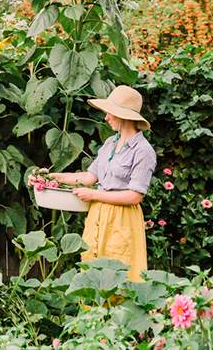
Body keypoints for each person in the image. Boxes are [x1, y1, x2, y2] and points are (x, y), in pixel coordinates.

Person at [49, 85, 156, 281]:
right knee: (92, 271)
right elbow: (90, 177)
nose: (106, 118)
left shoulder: (143, 151)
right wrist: (56, 177)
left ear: (123, 116)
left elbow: (135, 195)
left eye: (110, 113)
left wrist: (94, 195)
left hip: (122, 220)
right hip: (97, 216)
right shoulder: (110, 144)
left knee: (120, 274)